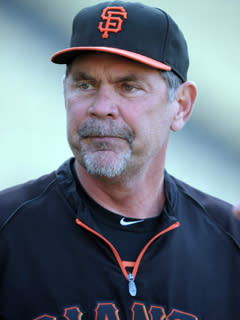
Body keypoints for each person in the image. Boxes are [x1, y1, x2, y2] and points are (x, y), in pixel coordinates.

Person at [0, 1, 240, 319]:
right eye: (84, 84)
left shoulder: (229, 243)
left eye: (128, 87)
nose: (101, 106)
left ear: (181, 106)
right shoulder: (7, 230)